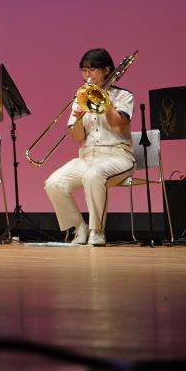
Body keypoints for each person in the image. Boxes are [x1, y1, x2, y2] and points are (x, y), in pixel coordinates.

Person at [42, 48, 134, 246]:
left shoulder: (124, 96)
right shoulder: (81, 97)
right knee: (54, 183)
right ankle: (80, 227)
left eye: (92, 70)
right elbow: (77, 137)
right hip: (88, 156)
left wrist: (105, 102)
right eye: (84, 71)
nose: (87, 75)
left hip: (118, 156)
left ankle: (97, 231)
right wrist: (75, 118)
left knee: (94, 175)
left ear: (106, 70)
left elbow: (119, 126)